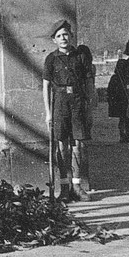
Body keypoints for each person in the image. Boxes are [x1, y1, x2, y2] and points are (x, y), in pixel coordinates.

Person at [42, 19, 90, 201]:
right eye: (59, 36)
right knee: (62, 145)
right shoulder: (51, 59)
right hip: (60, 104)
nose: (63, 38)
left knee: (79, 144)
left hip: (78, 103)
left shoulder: (80, 56)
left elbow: (88, 83)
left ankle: (77, 186)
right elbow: (45, 87)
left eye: (66, 35)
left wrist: (89, 107)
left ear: (71, 36)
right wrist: (48, 113)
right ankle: (64, 188)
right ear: (54, 39)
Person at [108, 38, 129, 142]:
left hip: (126, 91)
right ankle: (126, 135)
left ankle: (124, 135)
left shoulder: (125, 63)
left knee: (125, 116)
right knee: (127, 116)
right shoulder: (127, 63)